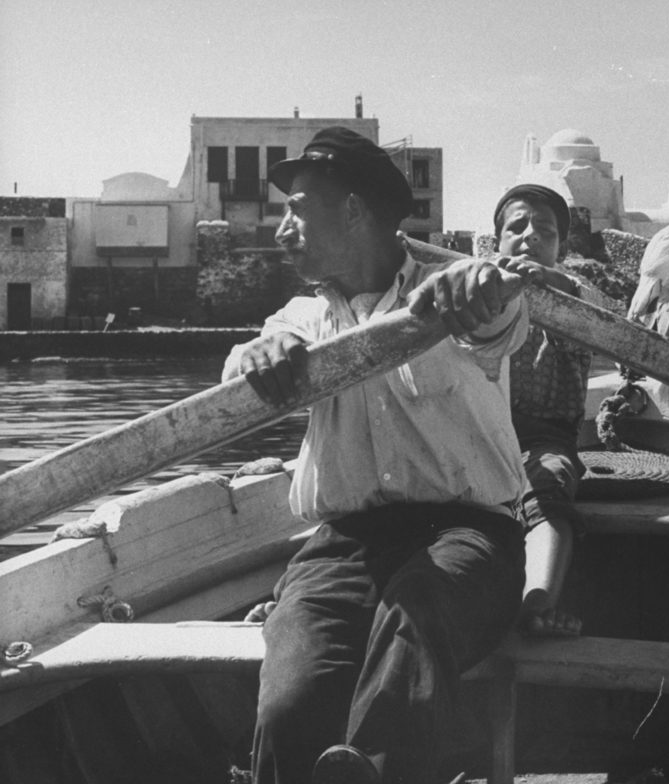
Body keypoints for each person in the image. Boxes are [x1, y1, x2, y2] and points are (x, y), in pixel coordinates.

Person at [222, 127, 530, 784]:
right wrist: (254, 361)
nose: (282, 229)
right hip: (340, 548)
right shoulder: (301, 320)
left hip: (468, 537)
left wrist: (480, 291)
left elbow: (503, 317)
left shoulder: (457, 291)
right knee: (289, 705)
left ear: (354, 210)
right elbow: (236, 379)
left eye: (297, 210)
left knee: (417, 614)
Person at [493, 184, 591, 638]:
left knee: (547, 492)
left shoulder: (576, 292)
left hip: (544, 439)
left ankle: (538, 604)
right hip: (477, 432)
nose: (529, 235)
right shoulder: (479, 288)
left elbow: (601, 315)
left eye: (544, 231)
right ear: (496, 242)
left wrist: (548, 283)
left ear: (561, 248)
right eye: (516, 227)